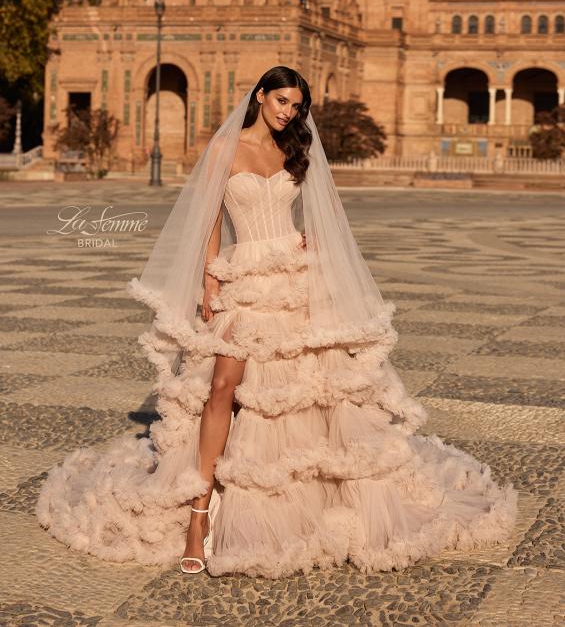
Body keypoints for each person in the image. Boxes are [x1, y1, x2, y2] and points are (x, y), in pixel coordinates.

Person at [37, 65, 518, 578]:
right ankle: (198, 515)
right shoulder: (226, 148)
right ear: (260, 96)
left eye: (297, 106)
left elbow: (322, 212)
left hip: (294, 274)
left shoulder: (296, 149)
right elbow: (209, 221)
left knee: (309, 390)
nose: (288, 112)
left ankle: (311, 495)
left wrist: (312, 245)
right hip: (244, 276)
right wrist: (209, 278)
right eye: (282, 101)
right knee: (222, 385)